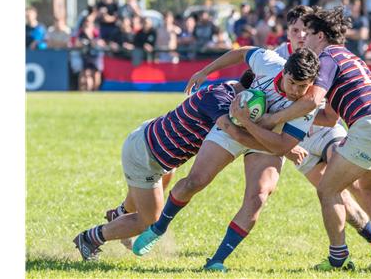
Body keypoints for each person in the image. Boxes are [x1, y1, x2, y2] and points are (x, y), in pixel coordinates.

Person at [132, 47, 321, 273]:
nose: (296, 91)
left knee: (258, 196)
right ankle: (158, 228)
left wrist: (249, 123)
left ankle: (216, 261)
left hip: (267, 142)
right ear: (285, 71)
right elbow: (242, 53)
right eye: (292, 83)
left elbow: (281, 145)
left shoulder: (308, 104)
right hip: (234, 129)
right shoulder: (270, 63)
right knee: (195, 181)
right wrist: (205, 71)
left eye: (303, 86)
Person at [73, 73, 253, 261]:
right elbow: (235, 133)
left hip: (153, 146)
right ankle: (89, 238)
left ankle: (119, 214)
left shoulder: (230, 89)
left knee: (161, 182)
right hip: (145, 156)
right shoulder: (220, 101)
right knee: (148, 221)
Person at [299, 7, 371, 271]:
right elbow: (328, 117)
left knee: (328, 189)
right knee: (369, 186)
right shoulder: (350, 56)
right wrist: (296, 119)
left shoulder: (327, 56)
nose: (304, 40)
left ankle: (338, 258)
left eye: (309, 34)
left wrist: (276, 115)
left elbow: (313, 99)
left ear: (322, 36)